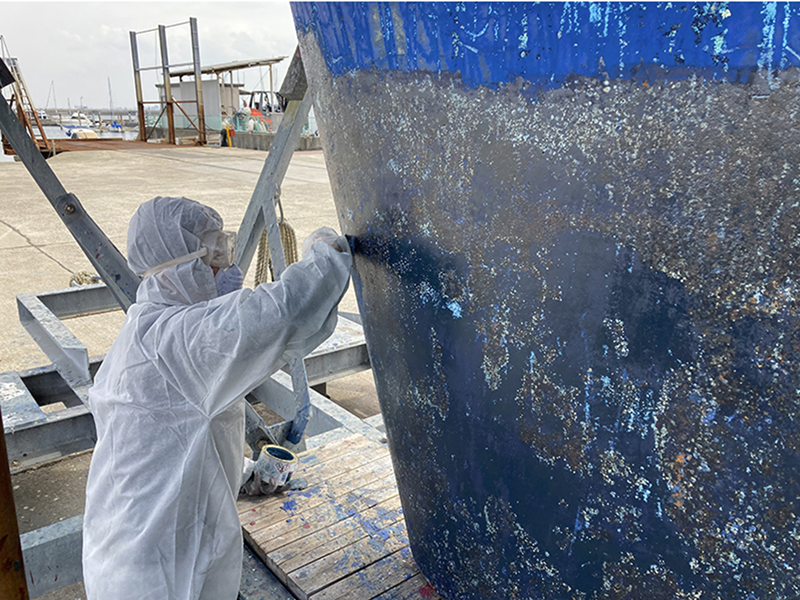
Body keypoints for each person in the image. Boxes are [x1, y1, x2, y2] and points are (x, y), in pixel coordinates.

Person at [82, 196, 352, 600]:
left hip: (127, 553)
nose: (224, 270)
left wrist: (241, 472)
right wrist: (327, 254)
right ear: (180, 265)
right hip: (159, 578)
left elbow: (162, 446)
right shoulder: (179, 340)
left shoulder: (146, 327)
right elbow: (285, 313)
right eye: (213, 259)